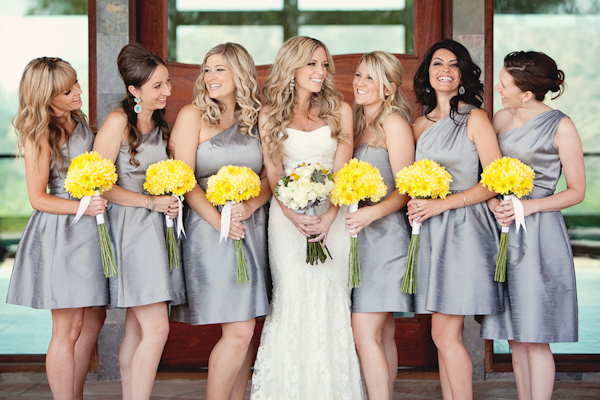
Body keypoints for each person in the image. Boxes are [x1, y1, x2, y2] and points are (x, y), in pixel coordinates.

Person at [250, 36, 364, 399]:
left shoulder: (340, 110)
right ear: (292, 67)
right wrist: (289, 212)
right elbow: (272, 169)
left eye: (324, 64)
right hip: (286, 222)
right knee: (292, 299)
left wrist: (331, 215)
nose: (320, 71)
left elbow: (343, 171)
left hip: (335, 218)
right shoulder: (269, 114)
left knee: (332, 302)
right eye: (312, 64)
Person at [480, 51, 585, 400]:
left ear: (527, 93)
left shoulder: (561, 125)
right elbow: (489, 175)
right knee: (514, 335)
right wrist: (496, 203)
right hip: (503, 231)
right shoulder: (498, 118)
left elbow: (577, 191)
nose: (497, 88)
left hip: (540, 234)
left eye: (504, 84)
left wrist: (527, 206)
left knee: (535, 335)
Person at [169, 42, 271, 400]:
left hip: (252, 227)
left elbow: (271, 177)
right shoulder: (191, 116)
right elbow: (184, 179)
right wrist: (219, 222)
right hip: (209, 230)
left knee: (245, 328)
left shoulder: (259, 116)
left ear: (240, 73)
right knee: (240, 330)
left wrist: (253, 204)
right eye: (207, 69)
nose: (210, 77)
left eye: (219, 69)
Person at [6, 57, 108, 400]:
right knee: (68, 326)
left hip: (91, 229)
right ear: (46, 99)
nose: (79, 91)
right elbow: (37, 198)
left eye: (76, 83)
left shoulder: (78, 121)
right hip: (62, 232)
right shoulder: (39, 134)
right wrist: (83, 206)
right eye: (68, 90)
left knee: (94, 319)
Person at [408, 39, 504, 400]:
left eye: (453, 64)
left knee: (446, 334)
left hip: (465, 227)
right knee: (439, 334)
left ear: (462, 74)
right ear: (427, 73)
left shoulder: (474, 117)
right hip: (430, 230)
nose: (444, 70)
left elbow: (494, 181)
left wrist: (445, 204)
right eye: (437, 64)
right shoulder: (418, 125)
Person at [92, 43, 185, 400]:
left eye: (167, 82)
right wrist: (150, 202)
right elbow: (99, 187)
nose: (167, 91)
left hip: (157, 230)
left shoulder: (160, 124)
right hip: (130, 231)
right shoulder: (117, 122)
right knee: (156, 329)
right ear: (134, 90)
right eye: (158, 85)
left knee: (136, 328)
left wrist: (171, 200)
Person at [346, 51, 414, 400]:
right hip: (357, 239)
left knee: (363, 329)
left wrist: (371, 213)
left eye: (370, 78)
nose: (360, 83)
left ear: (388, 88)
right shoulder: (355, 123)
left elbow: (406, 189)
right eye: (358, 75)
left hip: (385, 239)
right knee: (382, 332)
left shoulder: (395, 124)